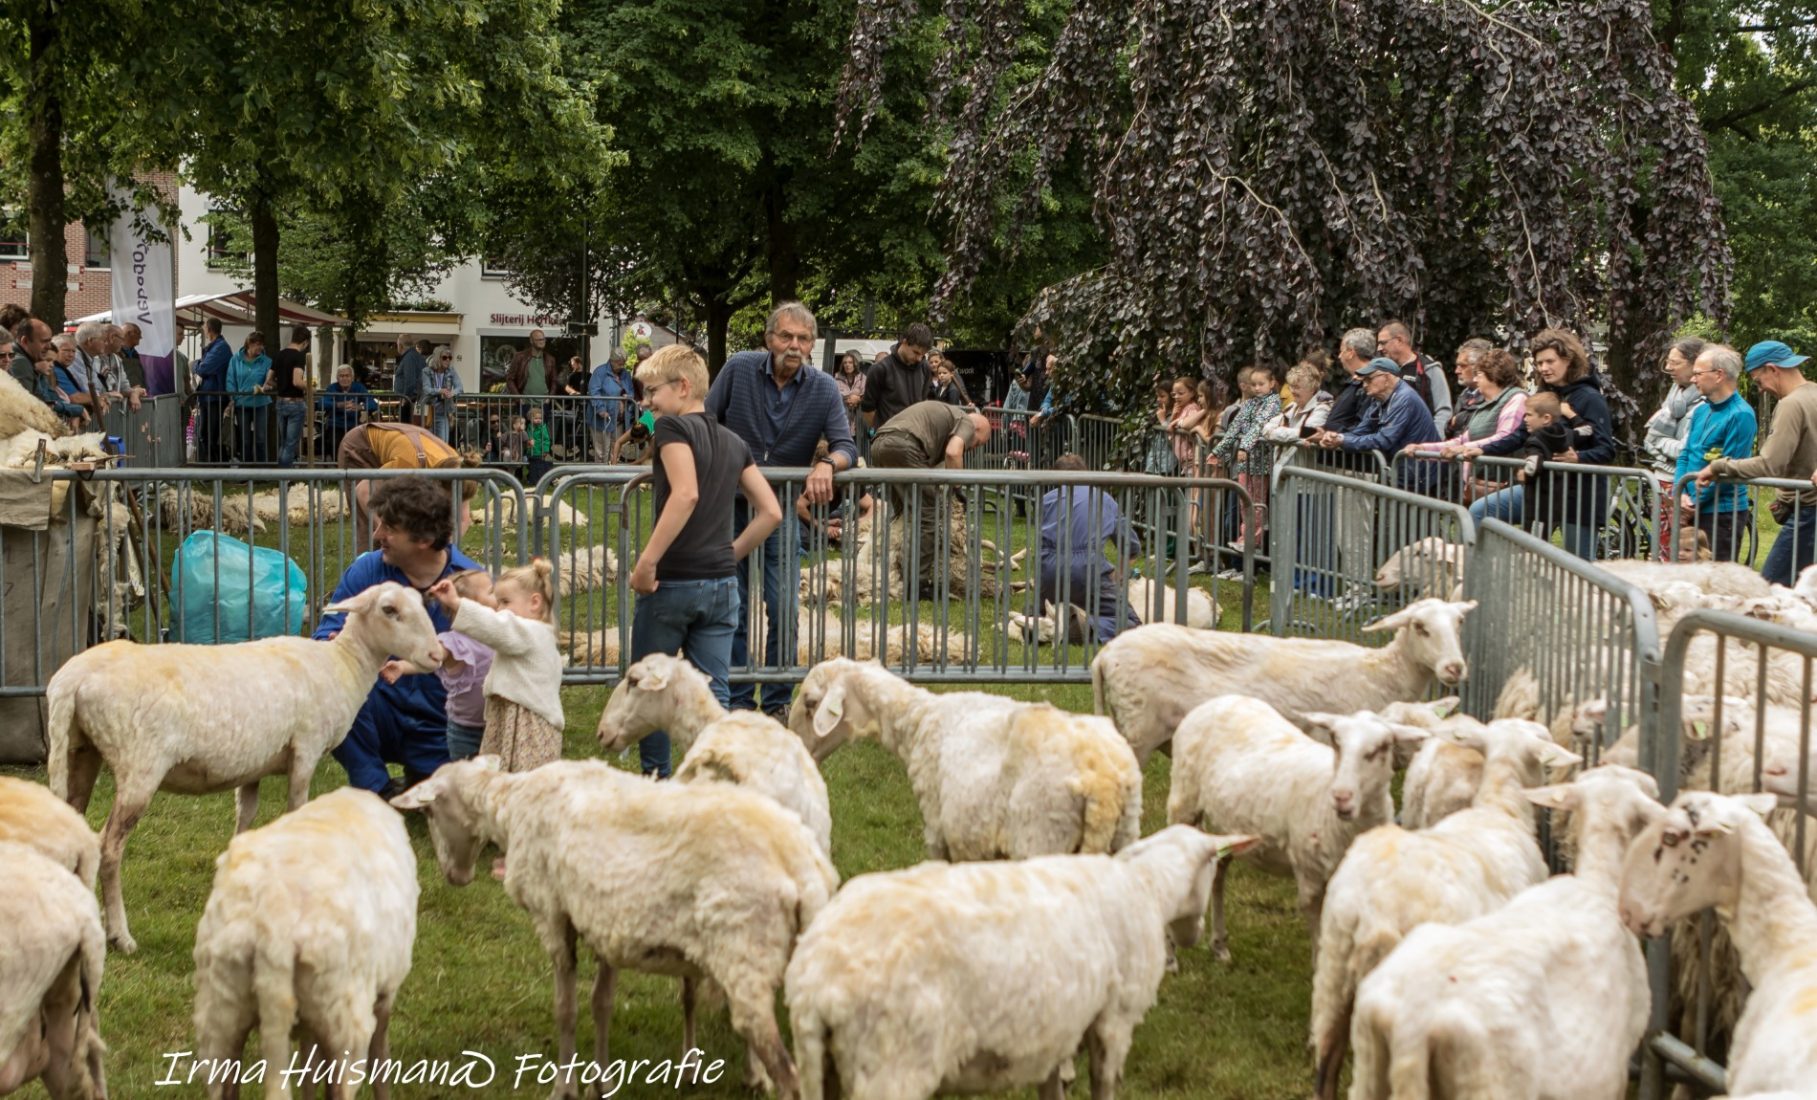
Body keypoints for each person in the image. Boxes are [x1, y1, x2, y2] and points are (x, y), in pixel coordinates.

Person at [629, 343, 784, 777]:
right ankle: (712, 780)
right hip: (720, 585)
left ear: (682, 387)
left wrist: (647, 562)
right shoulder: (735, 441)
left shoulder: (672, 430)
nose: (647, 403)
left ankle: (655, 779)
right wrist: (730, 554)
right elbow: (771, 511)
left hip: (672, 582)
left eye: (652, 391)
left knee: (651, 687)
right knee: (711, 696)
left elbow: (686, 493)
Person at [704, 301, 858, 716]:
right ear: (769, 339)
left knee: (785, 605)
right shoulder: (738, 368)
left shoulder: (824, 387)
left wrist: (828, 463)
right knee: (731, 605)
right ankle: (736, 701)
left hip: (780, 509)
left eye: (803, 338)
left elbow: (847, 446)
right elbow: (704, 421)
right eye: (786, 336)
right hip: (727, 506)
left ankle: (775, 703)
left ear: (812, 345)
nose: (794, 345)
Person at [315, 476, 482, 797]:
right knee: (333, 698)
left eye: (389, 528)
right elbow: (327, 630)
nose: (377, 535)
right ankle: (375, 788)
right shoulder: (367, 573)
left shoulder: (470, 584)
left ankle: (426, 773)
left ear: (423, 538)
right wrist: (331, 643)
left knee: (441, 794)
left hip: (443, 718)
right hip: (379, 706)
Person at [426, 558, 563, 876]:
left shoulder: (528, 632)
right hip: (515, 719)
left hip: (528, 725)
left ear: (534, 602)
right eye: (497, 601)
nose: (498, 609)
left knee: (524, 789)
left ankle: (524, 859)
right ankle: (514, 849)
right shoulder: (534, 633)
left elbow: (496, 628)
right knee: (512, 786)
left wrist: (458, 604)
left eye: (504, 602)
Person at [1468, 329, 1615, 560]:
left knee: (1577, 568)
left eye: (1550, 361)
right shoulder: (1545, 395)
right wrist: (1481, 449)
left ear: (1568, 359)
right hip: (1542, 490)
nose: (1544, 368)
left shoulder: (1590, 398)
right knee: (1480, 511)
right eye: (1539, 363)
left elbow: (1606, 449)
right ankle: (1489, 578)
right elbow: (1519, 435)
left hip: (1578, 498)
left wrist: (1578, 458)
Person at [1697, 340, 1817, 585]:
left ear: (1773, 369)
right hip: (1807, 511)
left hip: (1808, 514)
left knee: (1768, 590)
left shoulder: (1791, 404)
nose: (1760, 389)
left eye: (1758, 381)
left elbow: (1770, 465)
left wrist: (1719, 467)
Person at [869, 400, 993, 599]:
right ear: (977, 428)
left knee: (904, 515)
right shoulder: (966, 422)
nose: (973, 447)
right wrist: (957, 487)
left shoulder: (948, 416)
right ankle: (916, 584)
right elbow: (954, 452)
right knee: (929, 514)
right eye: (977, 443)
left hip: (879, 444)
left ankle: (892, 568)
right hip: (903, 446)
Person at [379, 568, 496, 763]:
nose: (498, 596)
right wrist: (403, 666)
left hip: (496, 725)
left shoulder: (498, 632)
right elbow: (433, 657)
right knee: (467, 781)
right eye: (491, 592)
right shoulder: (455, 642)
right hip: (466, 731)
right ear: (468, 606)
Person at [1039, 453, 1143, 643]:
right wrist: (1119, 574)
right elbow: (1130, 544)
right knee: (1131, 622)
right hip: (1087, 568)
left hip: (1048, 568)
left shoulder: (1046, 499)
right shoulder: (1103, 499)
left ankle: (1038, 619)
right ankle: (1086, 625)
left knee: (1043, 608)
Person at [1405, 348, 1529, 501]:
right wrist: (1423, 448)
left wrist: (1466, 448)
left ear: (1494, 375)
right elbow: (1462, 440)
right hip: (1477, 487)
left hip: (1502, 486)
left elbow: (1506, 436)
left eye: (1479, 375)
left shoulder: (1516, 399)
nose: (1475, 380)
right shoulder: (1484, 405)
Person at [1672, 344, 1756, 562]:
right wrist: (1679, 493)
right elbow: (1685, 454)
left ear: (1719, 375)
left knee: (1714, 581)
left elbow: (1729, 470)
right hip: (1691, 506)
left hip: (1722, 514)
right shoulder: (1700, 411)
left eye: (1698, 374)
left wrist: (1693, 503)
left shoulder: (1741, 415)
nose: (1693, 379)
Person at [336, 420, 474, 542]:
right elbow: (364, 491)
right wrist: (389, 533)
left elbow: (463, 519)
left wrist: (444, 547)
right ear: (438, 486)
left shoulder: (458, 469)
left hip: (404, 448)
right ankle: (370, 568)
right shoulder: (409, 464)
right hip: (360, 446)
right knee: (374, 525)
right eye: (449, 499)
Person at [1646, 337, 1708, 560]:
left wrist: (1659, 440)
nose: (1669, 368)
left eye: (1675, 362)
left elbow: (1685, 449)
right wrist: (1658, 441)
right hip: (1661, 481)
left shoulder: (1704, 404)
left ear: (1695, 365)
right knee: (1663, 548)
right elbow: (1647, 441)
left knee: (1681, 550)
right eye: (1668, 362)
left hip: (1682, 484)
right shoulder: (1673, 397)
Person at [1213, 363, 1283, 552]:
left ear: (1272, 383)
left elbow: (1260, 424)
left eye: (1261, 384)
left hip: (1261, 461)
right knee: (1245, 500)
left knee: (1257, 502)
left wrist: (1245, 445)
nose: (1257, 388)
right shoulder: (1250, 403)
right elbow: (1235, 426)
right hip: (1245, 462)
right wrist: (1218, 450)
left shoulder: (1273, 402)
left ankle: (1254, 539)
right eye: (1254, 384)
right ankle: (1246, 537)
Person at [1314, 357, 1441, 456]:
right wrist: (1335, 437)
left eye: (1369, 379)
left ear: (1386, 378)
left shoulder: (1404, 399)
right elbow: (1360, 431)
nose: (1364, 385)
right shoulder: (1379, 400)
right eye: (1363, 380)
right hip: (1404, 471)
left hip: (1420, 474)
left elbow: (1384, 440)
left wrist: (1342, 440)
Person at [1377, 320, 1452, 437]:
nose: (1379, 348)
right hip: (1392, 444)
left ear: (1399, 340)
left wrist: (1433, 441)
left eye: (1383, 343)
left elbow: (1443, 410)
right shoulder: (1385, 370)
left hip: (1420, 446)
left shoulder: (1428, 369)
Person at [1515, 393, 1572, 537]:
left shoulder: (1535, 440)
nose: (1525, 420)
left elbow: (1533, 464)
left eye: (1529, 415)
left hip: (1538, 506)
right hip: (1557, 501)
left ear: (1546, 418)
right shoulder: (1562, 435)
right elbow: (1586, 431)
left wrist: (1524, 474)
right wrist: (1574, 416)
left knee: (1533, 546)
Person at [862, 321, 935, 428]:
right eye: (916, 352)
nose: (919, 358)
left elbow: (923, 403)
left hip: (917, 436)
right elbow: (868, 409)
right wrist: (879, 434)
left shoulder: (925, 368)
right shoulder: (880, 369)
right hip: (888, 438)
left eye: (923, 355)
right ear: (904, 342)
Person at [1262, 359, 1334, 446]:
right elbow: (1266, 429)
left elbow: (1311, 433)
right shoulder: (1292, 406)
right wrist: (1299, 433)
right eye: (1291, 386)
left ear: (1312, 388)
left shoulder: (1323, 407)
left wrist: (1277, 431)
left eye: (1297, 387)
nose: (1292, 391)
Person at [227, 331, 273, 464]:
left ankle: (262, 470)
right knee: (244, 439)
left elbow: (270, 380)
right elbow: (230, 380)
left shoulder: (267, 361)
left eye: (262, 345)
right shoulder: (235, 359)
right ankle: (245, 470)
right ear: (249, 344)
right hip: (241, 403)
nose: (260, 348)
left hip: (261, 403)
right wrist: (232, 399)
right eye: (258, 344)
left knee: (261, 438)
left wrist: (268, 386)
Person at [587, 348, 639, 462]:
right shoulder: (600, 372)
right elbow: (594, 391)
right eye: (619, 364)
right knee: (601, 452)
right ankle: (600, 477)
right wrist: (600, 408)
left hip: (618, 418)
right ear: (611, 361)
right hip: (602, 418)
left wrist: (628, 396)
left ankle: (612, 475)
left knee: (616, 448)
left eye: (623, 364)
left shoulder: (625, 374)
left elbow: (631, 391)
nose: (621, 366)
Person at [1323, 328, 1378, 435]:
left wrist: (1338, 437)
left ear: (1350, 353)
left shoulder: (1371, 382)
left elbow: (1363, 426)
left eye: (1341, 351)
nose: (1339, 356)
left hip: (1351, 448)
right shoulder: (1354, 382)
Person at [194, 318, 233, 462]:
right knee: (206, 432)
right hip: (209, 396)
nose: (203, 332)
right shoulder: (215, 347)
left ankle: (213, 465)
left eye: (204, 329)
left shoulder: (220, 347)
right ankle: (211, 464)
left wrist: (196, 365)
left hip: (214, 397)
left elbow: (203, 369)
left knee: (210, 433)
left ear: (209, 330)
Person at [271, 326, 310, 468]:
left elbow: (269, 380)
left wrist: (281, 384)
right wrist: (310, 386)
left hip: (280, 402)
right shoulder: (299, 356)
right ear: (305, 342)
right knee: (290, 443)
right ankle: (285, 476)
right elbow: (297, 381)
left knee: (283, 442)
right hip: (295, 403)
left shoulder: (279, 355)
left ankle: (283, 474)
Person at [320, 363, 377, 456]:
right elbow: (322, 403)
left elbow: (373, 404)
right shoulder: (332, 388)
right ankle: (338, 466)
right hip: (335, 425)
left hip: (353, 424)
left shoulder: (359, 387)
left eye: (347, 376)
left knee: (359, 448)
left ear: (352, 377)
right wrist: (338, 405)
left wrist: (359, 407)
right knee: (335, 446)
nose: (344, 378)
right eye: (341, 376)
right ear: (337, 378)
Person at [1443, 339, 1494, 438]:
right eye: (1457, 365)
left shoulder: (1493, 395)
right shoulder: (1465, 394)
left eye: (1462, 366)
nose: (1456, 371)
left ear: (1479, 366)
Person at [420, 345, 462, 441]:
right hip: (428, 410)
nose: (448, 360)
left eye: (450, 358)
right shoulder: (426, 371)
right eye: (444, 357)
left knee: (443, 443)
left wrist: (452, 393)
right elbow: (427, 389)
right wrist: (440, 390)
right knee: (427, 443)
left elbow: (460, 387)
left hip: (443, 411)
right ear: (437, 358)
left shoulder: (451, 370)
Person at [506, 328, 560, 398]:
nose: (542, 342)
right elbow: (510, 380)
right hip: (525, 403)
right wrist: (518, 398)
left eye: (543, 339)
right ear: (531, 341)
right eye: (539, 340)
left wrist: (550, 398)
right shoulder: (520, 357)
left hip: (544, 403)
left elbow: (554, 381)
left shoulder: (550, 359)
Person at [392, 335, 428, 425]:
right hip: (415, 400)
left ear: (400, 346)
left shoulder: (409, 358)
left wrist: (405, 398)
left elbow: (410, 380)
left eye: (397, 345)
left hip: (409, 401)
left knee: (407, 430)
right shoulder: (415, 356)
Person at [832, 350, 866, 434]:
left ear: (855, 364)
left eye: (850, 362)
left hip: (858, 422)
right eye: (845, 363)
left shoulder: (862, 378)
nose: (847, 365)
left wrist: (858, 399)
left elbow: (868, 395)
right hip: (842, 420)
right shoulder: (837, 378)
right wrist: (849, 398)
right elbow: (833, 396)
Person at [525, 405, 553, 483]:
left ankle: (537, 478)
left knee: (539, 464)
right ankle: (531, 477)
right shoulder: (529, 427)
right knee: (531, 465)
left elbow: (546, 439)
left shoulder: (543, 427)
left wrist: (545, 450)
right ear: (530, 419)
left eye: (540, 418)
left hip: (540, 451)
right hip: (531, 450)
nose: (538, 420)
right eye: (536, 418)